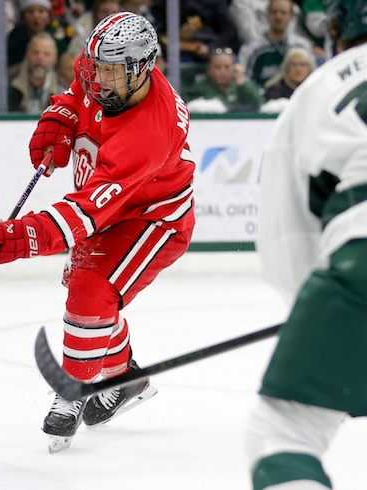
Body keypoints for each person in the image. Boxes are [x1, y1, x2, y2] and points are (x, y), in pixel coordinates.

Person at [0, 11, 194, 452]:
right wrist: (60, 117)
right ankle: (126, 379)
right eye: (98, 67)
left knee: (91, 292)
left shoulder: (149, 132)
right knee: (91, 295)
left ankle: (74, 390)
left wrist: (21, 237)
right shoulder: (107, 73)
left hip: (152, 221)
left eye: (111, 72)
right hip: (113, 210)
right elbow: (77, 90)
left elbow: (82, 214)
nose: (99, 79)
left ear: (140, 69)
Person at [244, 1, 367, 488]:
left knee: (282, 431)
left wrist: (324, 323)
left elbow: (287, 241)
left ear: (335, 33)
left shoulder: (317, 89)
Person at [238, 0, 313, 88]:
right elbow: (245, 81)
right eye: (274, 12)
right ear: (267, 15)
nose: (278, 16)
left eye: (283, 12)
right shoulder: (251, 49)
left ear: (292, 17)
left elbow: (312, 79)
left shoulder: (302, 46)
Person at [184, 47, 265, 113]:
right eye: (218, 67)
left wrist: (241, 83)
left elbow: (259, 103)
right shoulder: (200, 88)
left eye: (227, 67)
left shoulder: (240, 85)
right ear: (209, 69)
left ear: (234, 68)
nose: (222, 71)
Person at [7, 0, 70, 80]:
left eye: (41, 11)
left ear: (49, 17)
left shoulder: (59, 43)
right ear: (23, 17)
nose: (36, 16)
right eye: (31, 12)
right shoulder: (14, 40)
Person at [8, 31, 60, 113]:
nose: (40, 58)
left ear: (55, 58)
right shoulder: (9, 79)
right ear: (27, 54)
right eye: (35, 53)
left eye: (46, 54)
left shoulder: (62, 87)